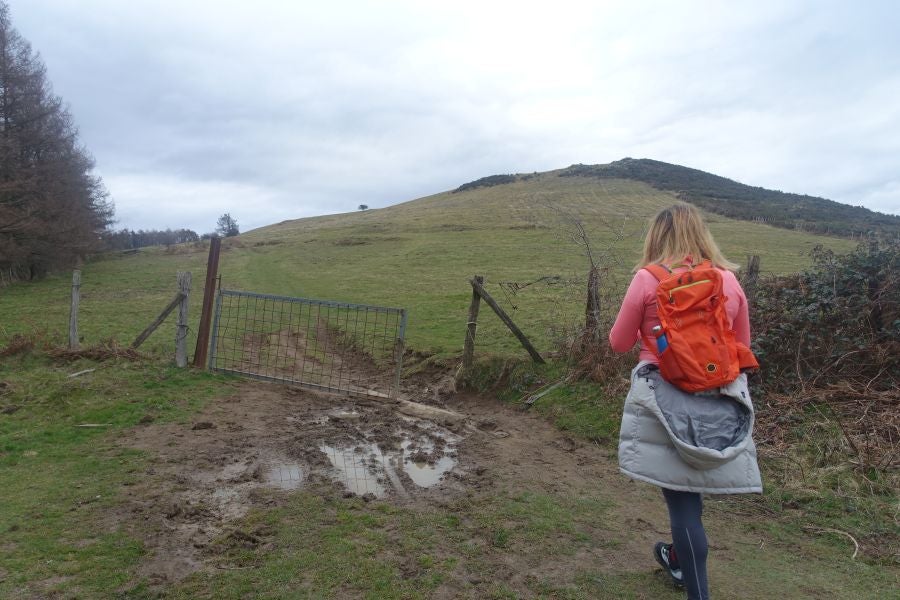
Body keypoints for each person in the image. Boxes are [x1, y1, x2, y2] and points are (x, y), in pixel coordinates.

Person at [609, 202, 762, 600]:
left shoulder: (647, 279)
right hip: (719, 394)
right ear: (701, 233)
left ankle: (696, 588)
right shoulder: (728, 281)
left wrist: (653, 336)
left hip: (663, 394)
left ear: (656, 236)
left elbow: (618, 342)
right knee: (690, 487)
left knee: (682, 505)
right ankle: (677, 556)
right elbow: (742, 345)